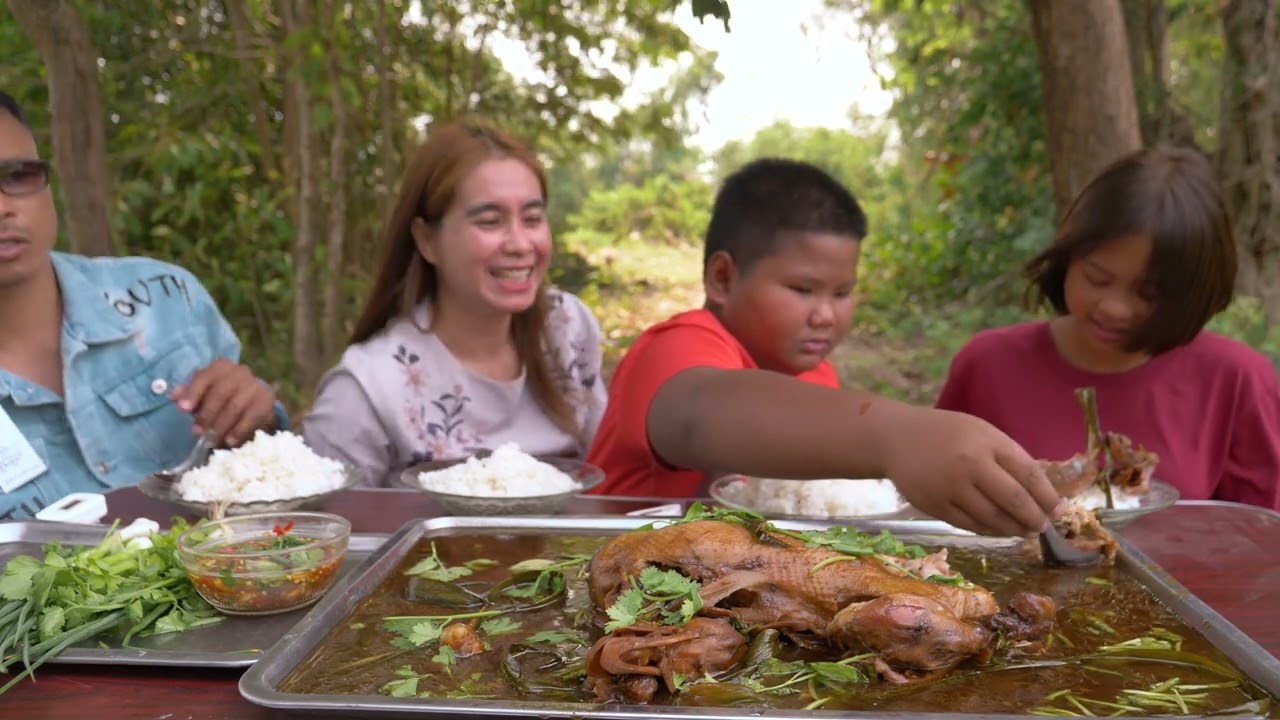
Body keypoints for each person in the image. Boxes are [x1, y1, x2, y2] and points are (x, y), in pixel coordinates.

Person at [586, 157, 1061, 538]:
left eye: (842, 292)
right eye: (803, 289)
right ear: (723, 278)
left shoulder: (818, 380)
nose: (826, 315)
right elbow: (700, 413)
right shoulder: (676, 347)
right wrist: (898, 435)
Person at [936, 146, 1280, 510]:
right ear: (1067, 259)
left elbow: (1258, 540)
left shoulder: (1238, 380)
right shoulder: (987, 366)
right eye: (1097, 278)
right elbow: (932, 511)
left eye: (1148, 294)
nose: (1114, 308)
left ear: (1196, 295)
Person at [0, 91, 283, 520]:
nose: (3, 207)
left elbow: (275, 475)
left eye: (17, 175)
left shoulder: (166, 298)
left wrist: (255, 422)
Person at [303, 118, 606, 487]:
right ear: (427, 240)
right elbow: (325, 532)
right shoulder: (368, 389)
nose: (520, 244)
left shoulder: (566, 329)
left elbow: (607, 472)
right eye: (490, 221)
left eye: (532, 218)